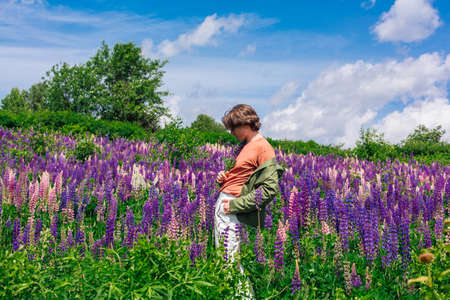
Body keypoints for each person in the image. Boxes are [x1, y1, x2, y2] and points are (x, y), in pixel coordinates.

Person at [214, 104, 284, 298]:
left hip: (232, 208)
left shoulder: (263, 147)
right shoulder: (245, 146)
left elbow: (269, 189)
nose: (231, 132)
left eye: (232, 128)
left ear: (244, 124)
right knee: (224, 260)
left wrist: (234, 205)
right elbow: (244, 177)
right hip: (226, 204)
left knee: (230, 262)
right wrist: (225, 177)